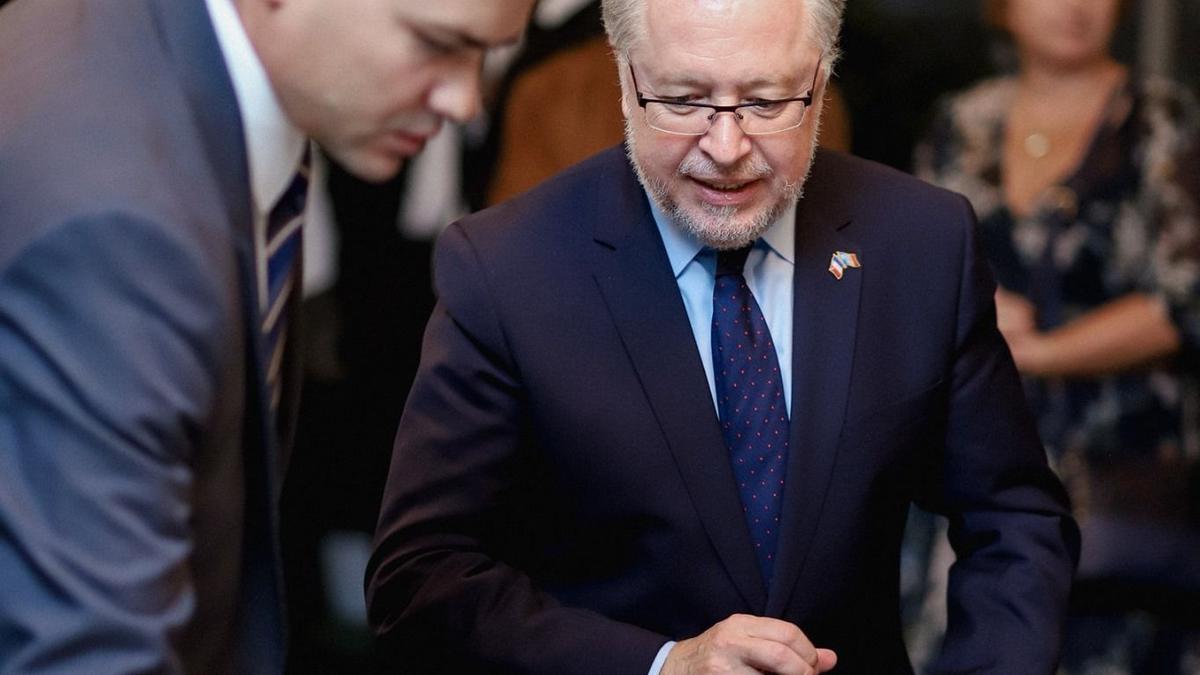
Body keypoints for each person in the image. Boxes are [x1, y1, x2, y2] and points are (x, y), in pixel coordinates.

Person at [366, 0, 1079, 673]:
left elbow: (1014, 517)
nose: (728, 146)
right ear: (626, 78)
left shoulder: (921, 241)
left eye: (767, 102)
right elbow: (422, 574)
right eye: (682, 100)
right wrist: (660, 664)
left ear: (821, 79)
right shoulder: (507, 268)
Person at [0, 0, 533, 672]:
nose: (465, 100)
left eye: (486, 53)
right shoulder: (119, 229)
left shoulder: (152, 49)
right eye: (436, 44)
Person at [915, 0, 1200, 672]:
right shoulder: (961, 120)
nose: (1074, 6)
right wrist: (974, 303)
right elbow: (912, 262)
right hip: (976, 459)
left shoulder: (1161, 119)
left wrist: (1039, 353)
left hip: (1125, 474)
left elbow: (1186, 298)